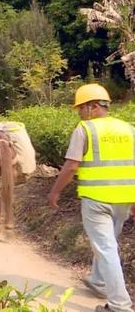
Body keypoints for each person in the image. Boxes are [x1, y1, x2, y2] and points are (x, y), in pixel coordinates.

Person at [47, 83, 134, 312]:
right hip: (124, 199)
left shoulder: (85, 129)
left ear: (93, 106)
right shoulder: (128, 128)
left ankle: (119, 305)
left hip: (96, 200)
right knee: (108, 244)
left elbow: (71, 166)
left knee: (106, 248)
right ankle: (98, 280)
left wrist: (55, 191)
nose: (79, 113)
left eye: (80, 109)